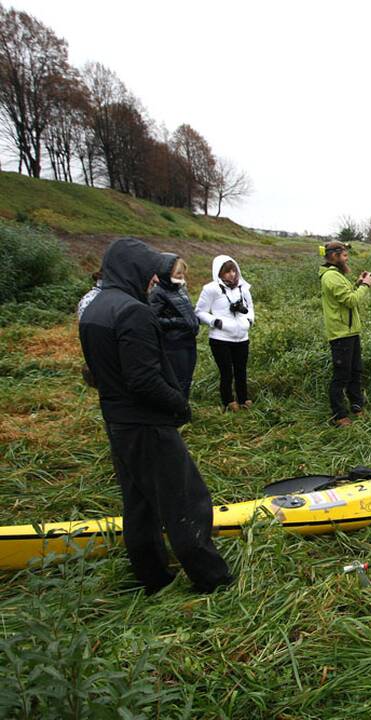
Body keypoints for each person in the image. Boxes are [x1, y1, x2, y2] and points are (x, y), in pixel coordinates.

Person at [78, 237, 232, 595]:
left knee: (140, 504)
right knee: (186, 500)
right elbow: (144, 379)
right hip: (148, 424)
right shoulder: (133, 312)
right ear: (132, 271)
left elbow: (97, 372)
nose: (153, 281)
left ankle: (152, 577)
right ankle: (212, 579)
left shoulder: (95, 308)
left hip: (118, 420)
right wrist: (179, 404)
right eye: (149, 274)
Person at [318, 240, 371, 427]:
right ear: (334, 256)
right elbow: (350, 301)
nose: (346, 257)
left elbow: (345, 295)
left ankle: (357, 407)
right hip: (341, 334)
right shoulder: (331, 277)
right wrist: (364, 286)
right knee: (341, 375)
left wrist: (357, 283)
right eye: (344, 255)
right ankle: (339, 415)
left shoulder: (337, 275)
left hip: (350, 332)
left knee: (355, 372)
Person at [195, 255, 254, 412]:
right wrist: (216, 322)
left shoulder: (243, 287)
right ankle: (228, 400)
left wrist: (249, 321)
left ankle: (243, 398)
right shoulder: (211, 289)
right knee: (226, 372)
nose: (232, 275)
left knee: (241, 370)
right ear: (219, 273)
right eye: (227, 272)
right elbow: (199, 312)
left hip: (242, 337)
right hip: (220, 338)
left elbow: (251, 307)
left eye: (233, 270)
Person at [149, 255, 199, 399]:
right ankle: (175, 413)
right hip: (174, 344)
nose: (182, 276)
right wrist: (177, 321)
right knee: (177, 380)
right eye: (178, 273)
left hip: (188, 340)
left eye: (183, 272)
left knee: (187, 378)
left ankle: (182, 408)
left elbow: (186, 310)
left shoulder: (180, 288)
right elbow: (153, 319)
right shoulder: (157, 292)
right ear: (167, 272)